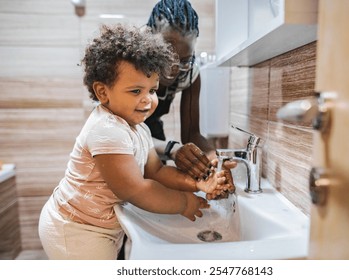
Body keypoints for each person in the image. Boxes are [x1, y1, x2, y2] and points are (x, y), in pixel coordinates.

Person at [38, 24, 233, 260]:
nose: (147, 100)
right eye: (135, 91)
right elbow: (136, 190)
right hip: (75, 227)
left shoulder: (138, 127)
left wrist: (198, 184)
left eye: (152, 90)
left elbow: (156, 172)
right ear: (102, 92)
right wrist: (183, 203)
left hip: (99, 224)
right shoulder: (106, 129)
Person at [145, 0, 225, 181]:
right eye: (166, 54)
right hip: (120, 138)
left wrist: (215, 158)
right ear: (149, 39)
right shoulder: (132, 65)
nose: (173, 68)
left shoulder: (189, 74)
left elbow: (191, 134)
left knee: (157, 184)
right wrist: (171, 149)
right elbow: (123, 133)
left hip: (154, 133)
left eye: (184, 60)